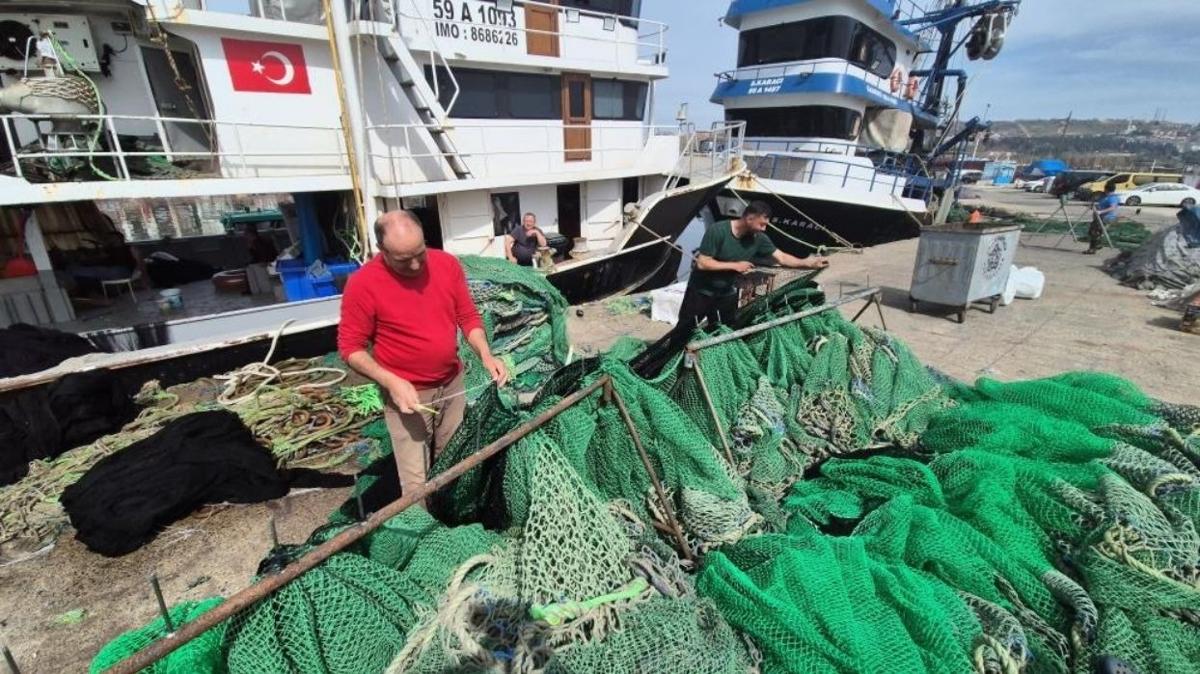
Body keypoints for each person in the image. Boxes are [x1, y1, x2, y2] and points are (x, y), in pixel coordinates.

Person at [338, 210, 508, 499]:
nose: (416, 264)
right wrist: (391, 382)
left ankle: (448, 515)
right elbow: (350, 347)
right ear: (382, 251)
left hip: (452, 384)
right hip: (408, 396)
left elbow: (467, 316)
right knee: (415, 480)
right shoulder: (362, 284)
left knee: (451, 458)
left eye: (420, 253)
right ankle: (423, 532)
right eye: (404, 260)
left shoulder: (446, 264)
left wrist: (486, 355)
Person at [676, 201, 830, 330]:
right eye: (762, 224)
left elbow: (782, 257)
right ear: (749, 218)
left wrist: (808, 262)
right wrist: (735, 266)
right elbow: (703, 263)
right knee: (685, 330)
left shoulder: (759, 238)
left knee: (724, 331)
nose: (764, 229)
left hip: (726, 294)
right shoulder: (718, 230)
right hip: (701, 292)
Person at [1086, 183, 1121, 254]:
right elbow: (1099, 203)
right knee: (1094, 231)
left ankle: (1092, 249)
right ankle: (1098, 244)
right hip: (1100, 217)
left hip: (1106, 217)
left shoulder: (1112, 198)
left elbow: (1112, 207)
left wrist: (1101, 211)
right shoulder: (1105, 196)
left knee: (1094, 232)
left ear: (1106, 189)